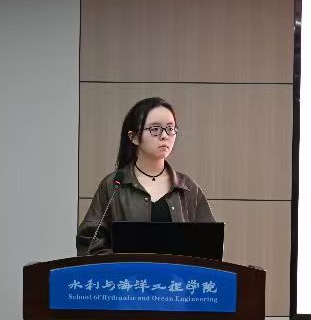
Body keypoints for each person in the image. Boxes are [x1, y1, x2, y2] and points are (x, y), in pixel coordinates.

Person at [77, 97, 215, 256]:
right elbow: (89, 243)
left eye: (170, 128)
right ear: (134, 137)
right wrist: (122, 266)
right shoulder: (114, 185)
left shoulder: (188, 188)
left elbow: (209, 245)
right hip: (127, 273)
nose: (165, 136)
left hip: (176, 273)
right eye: (155, 129)